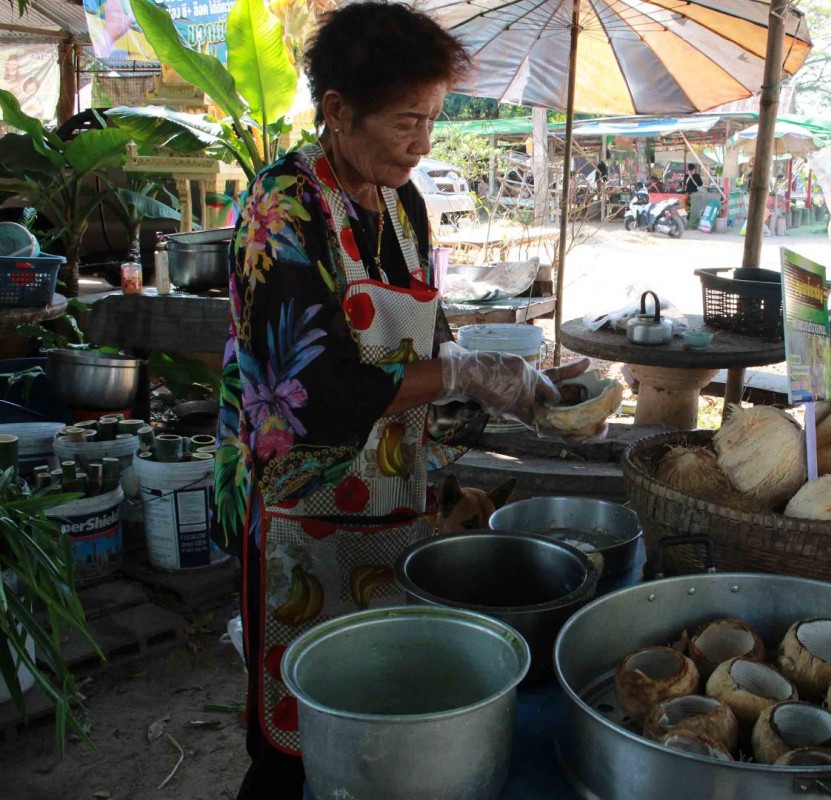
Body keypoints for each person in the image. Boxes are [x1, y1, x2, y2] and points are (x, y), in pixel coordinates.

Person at [214, 5, 587, 797]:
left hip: (392, 494)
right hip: (302, 506)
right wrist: (463, 374)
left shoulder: (404, 204)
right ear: (338, 111)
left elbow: (427, 337)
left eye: (432, 120)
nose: (423, 143)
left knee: (379, 711)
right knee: (298, 735)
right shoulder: (283, 209)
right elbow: (314, 390)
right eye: (406, 121)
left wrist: (510, 383)